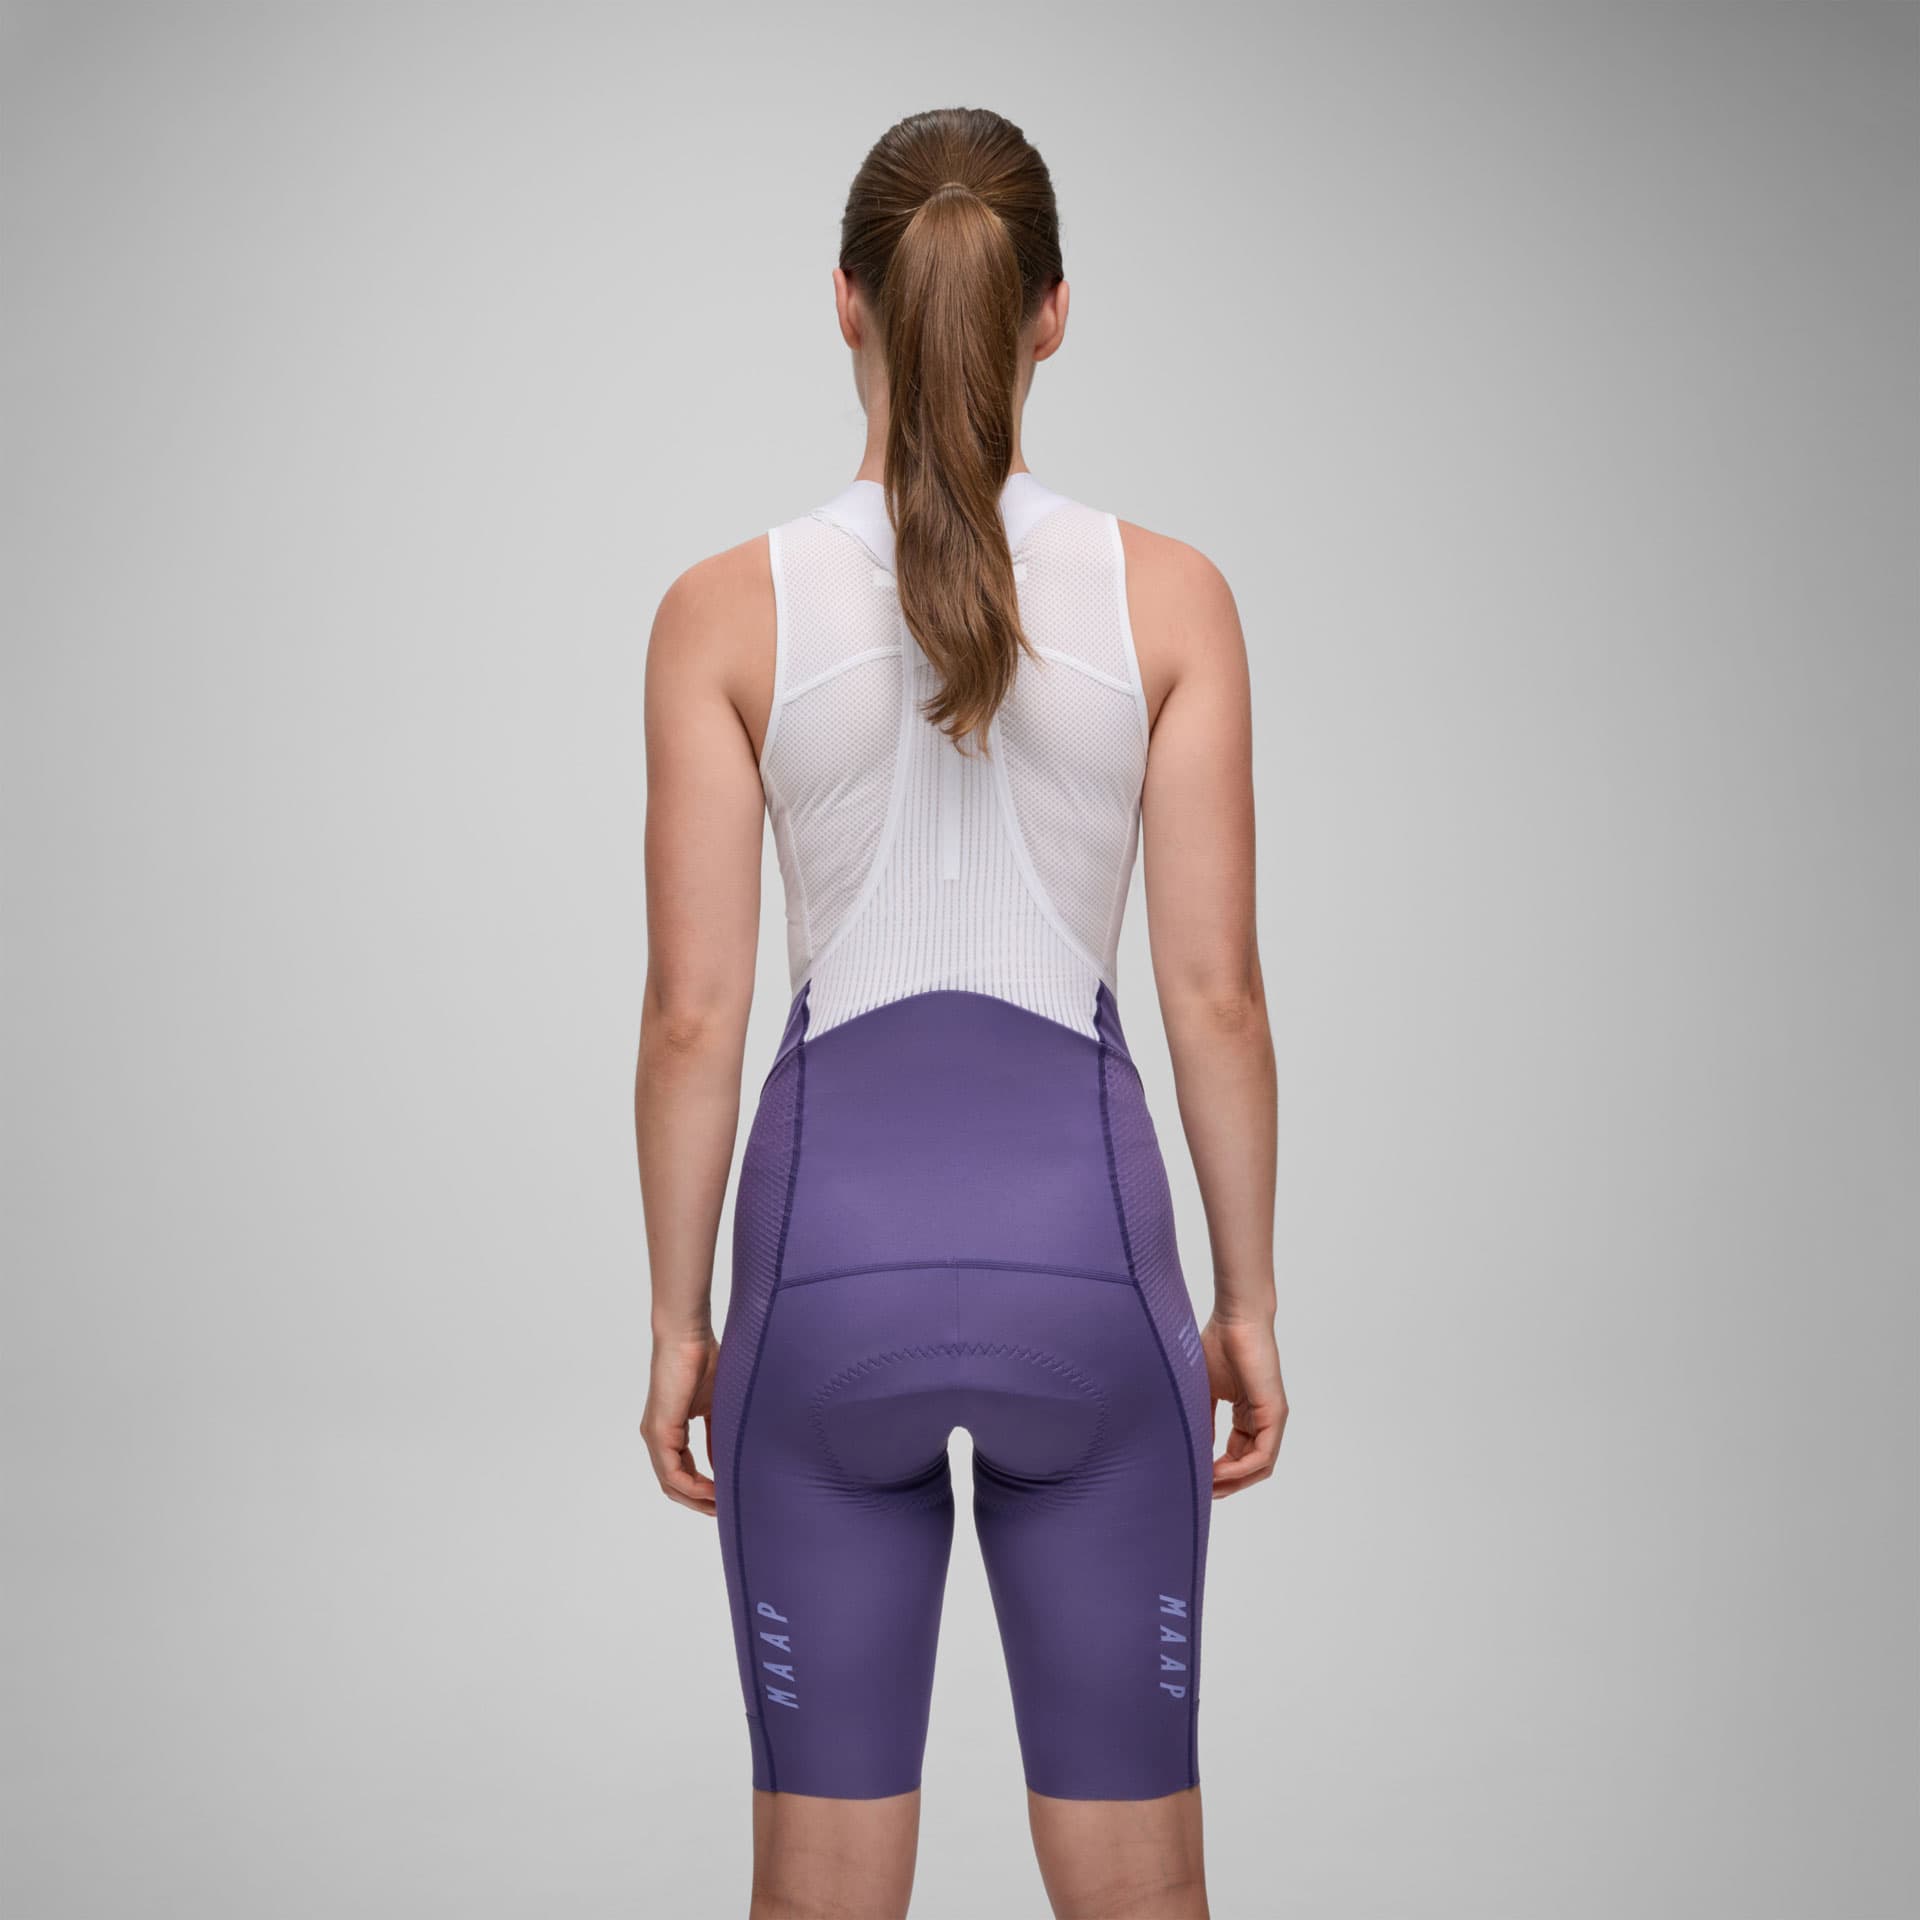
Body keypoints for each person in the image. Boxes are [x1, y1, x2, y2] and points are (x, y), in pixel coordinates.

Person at [635, 105, 1288, 1920]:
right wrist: (1243, 1301)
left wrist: (682, 1326)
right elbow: (1216, 997)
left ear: (845, 302)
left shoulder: (720, 614)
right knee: (1142, 1895)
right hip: (1088, 1267)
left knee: (818, 1895)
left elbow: (693, 1016)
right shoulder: (1174, 600)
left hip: (822, 1270)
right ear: (1052, 313)